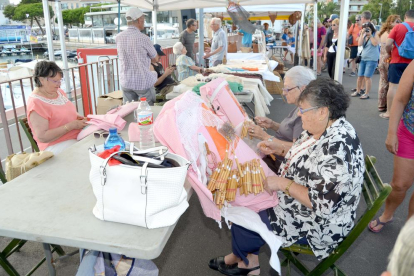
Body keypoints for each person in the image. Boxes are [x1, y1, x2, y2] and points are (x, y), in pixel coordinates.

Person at [209, 77, 364, 275]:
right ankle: (244, 260)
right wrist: (278, 147)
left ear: (323, 111)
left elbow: (323, 204)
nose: (299, 115)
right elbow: (303, 151)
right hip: (304, 204)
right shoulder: (327, 127)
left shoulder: (338, 148)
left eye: (303, 110)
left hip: (320, 224)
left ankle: (247, 264)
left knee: (243, 213)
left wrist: (283, 183)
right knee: (243, 198)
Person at [368, 60, 414, 233]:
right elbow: (401, 99)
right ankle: (388, 214)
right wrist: (391, 133)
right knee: (400, 184)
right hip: (410, 132)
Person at [247, 66, 316, 172]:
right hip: (277, 157)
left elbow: (298, 148)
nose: (284, 92)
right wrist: (272, 124)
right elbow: (291, 131)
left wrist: (264, 136)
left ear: (303, 88)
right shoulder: (301, 106)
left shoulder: (305, 114)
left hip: (283, 165)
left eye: (287, 89)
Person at [27, 61, 87, 155]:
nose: (58, 84)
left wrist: (78, 117)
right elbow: (43, 137)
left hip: (75, 136)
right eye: (55, 81)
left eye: (60, 80)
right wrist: (71, 125)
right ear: (41, 79)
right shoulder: (36, 103)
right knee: (89, 151)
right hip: (56, 145)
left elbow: (65, 112)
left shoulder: (59, 92)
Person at [116, 7, 157, 105]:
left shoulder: (118, 37)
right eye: (143, 19)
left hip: (126, 81)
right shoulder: (143, 38)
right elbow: (155, 58)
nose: (144, 21)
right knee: (147, 111)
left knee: (128, 111)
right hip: (143, 82)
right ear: (139, 20)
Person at [381, 10, 414, 119]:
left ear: (405, 17)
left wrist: (388, 53)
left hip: (397, 61)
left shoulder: (398, 27)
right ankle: (407, 114)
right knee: (410, 88)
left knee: (393, 87)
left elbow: (389, 43)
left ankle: (389, 113)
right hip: (412, 64)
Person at [378, 15, 401, 112]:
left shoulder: (382, 33)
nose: (399, 23)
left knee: (383, 82)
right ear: (391, 22)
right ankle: (387, 104)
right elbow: (390, 46)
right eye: (397, 21)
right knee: (391, 84)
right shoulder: (392, 32)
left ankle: (381, 104)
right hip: (389, 59)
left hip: (381, 60)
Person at [353, 21, 379, 99]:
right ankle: (358, 91)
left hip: (372, 59)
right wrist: (362, 34)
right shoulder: (363, 35)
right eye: (364, 29)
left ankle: (366, 93)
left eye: (367, 29)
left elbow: (375, 43)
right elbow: (360, 44)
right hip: (363, 58)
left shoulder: (376, 34)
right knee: (360, 76)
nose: (366, 30)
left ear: (371, 28)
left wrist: (370, 35)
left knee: (367, 77)